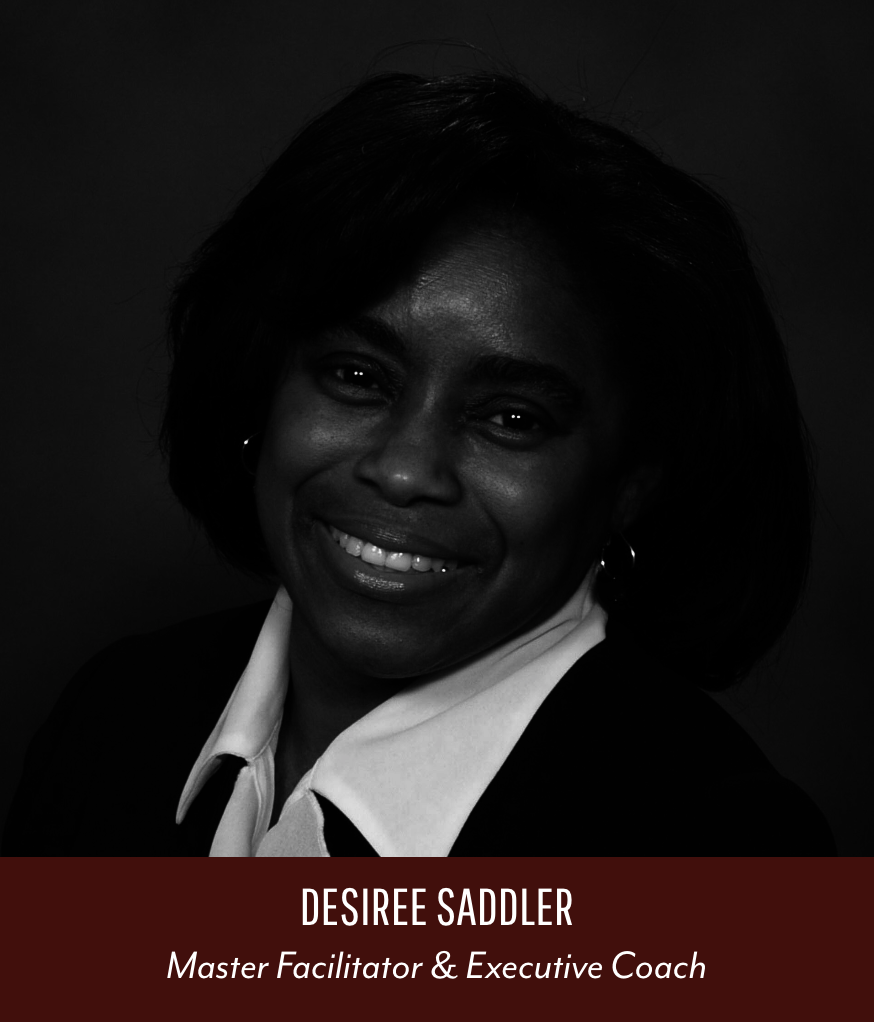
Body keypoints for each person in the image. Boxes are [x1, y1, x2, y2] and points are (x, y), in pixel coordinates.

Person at [4, 72, 834, 856]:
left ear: (628, 488)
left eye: (513, 419)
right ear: (260, 387)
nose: (404, 473)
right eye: (358, 378)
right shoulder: (114, 720)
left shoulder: (726, 849)